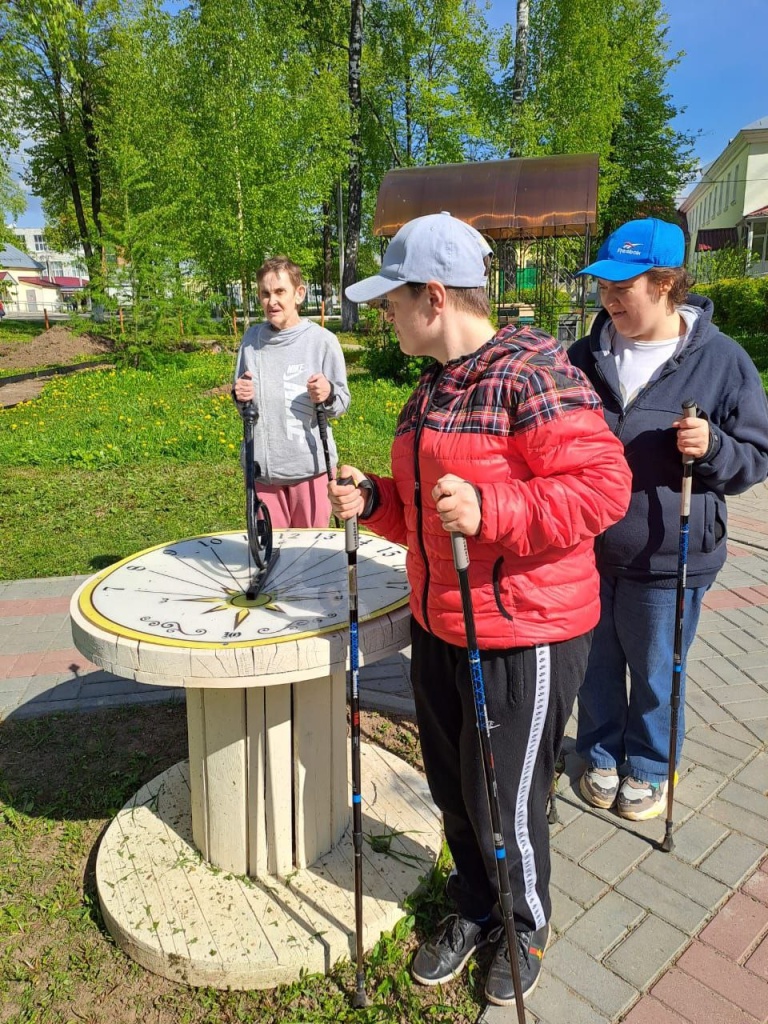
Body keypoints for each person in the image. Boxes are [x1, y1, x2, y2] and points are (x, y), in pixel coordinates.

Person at [329, 212, 631, 1007]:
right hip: (440, 624)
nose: (382, 314)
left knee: (505, 799)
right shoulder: (430, 389)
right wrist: (378, 499)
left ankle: (522, 920)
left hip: (522, 633)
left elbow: (604, 488)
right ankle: (473, 904)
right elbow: (430, 515)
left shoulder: (534, 371)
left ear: (434, 295)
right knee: (454, 788)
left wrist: (494, 507)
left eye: (391, 300)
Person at [569, 217, 768, 821]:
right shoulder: (583, 354)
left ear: (665, 284)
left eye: (622, 286)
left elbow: (756, 458)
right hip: (589, 548)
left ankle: (650, 764)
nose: (608, 298)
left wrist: (711, 448)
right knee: (595, 663)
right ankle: (600, 750)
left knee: (657, 667)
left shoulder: (721, 361)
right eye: (603, 285)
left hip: (669, 553)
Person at [233, 256, 350, 528]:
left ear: (299, 294)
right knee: (270, 557)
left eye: (279, 292)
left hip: (309, 471)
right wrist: (240, 396)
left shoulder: (322, 341)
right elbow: (243, 402)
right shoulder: (251, 340)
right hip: (263, 472)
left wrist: (328, 392)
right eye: (265, 293)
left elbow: (341, 401)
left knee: (313, 556)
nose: (271, 301)